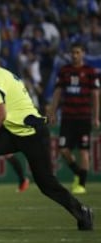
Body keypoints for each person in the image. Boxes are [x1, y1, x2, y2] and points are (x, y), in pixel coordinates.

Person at [0, 52, 93, 231]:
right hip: (14, 131)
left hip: (32, 133)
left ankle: (82, 212)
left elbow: (0, 113)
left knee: (46, 184)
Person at [48, 42, 100, 194]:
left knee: (84, 152)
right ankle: (79, 173)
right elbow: (57, 93)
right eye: (73, 52)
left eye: (77, 52)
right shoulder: (64, 71)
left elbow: (95, 96)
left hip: (84, 117)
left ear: (83, 53)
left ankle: (81, 185)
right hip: (67, 117)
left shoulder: (90, 71)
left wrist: (96, 117)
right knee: (63, 150)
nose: (74, 55)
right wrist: (52, 112)